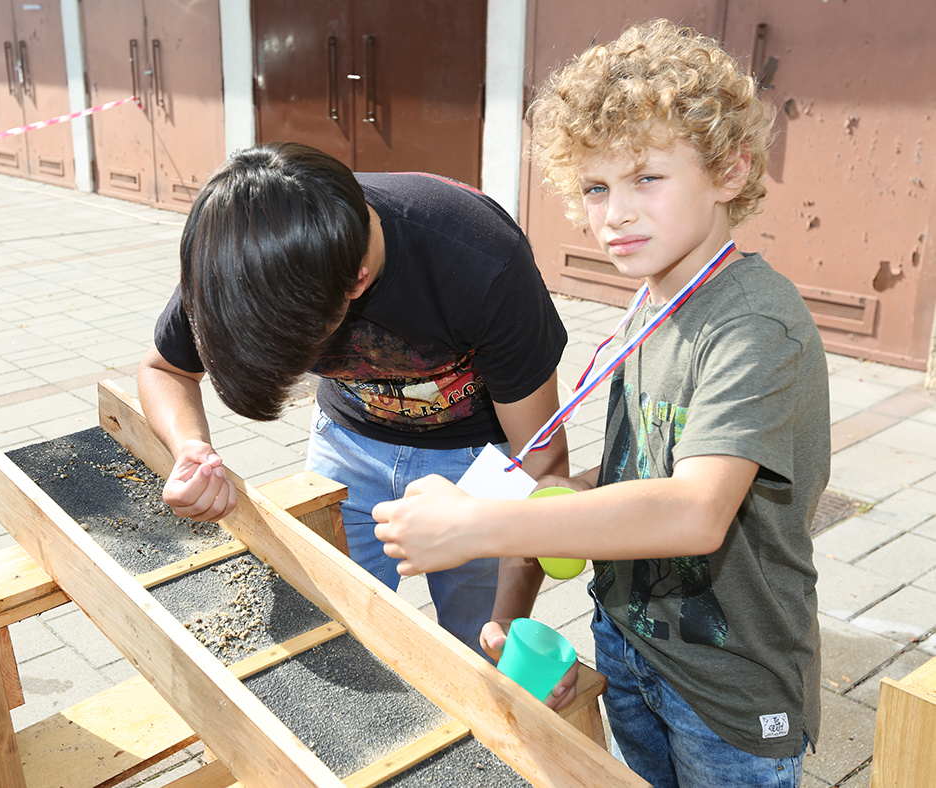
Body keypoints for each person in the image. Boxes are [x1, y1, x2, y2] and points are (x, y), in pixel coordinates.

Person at [373, 19, 828, 788]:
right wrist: (556, 498)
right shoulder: (653, 302)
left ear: (729, 169)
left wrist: (475, 526)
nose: (614, 213)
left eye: (646, 178)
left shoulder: (755, 325)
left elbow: (695, 510)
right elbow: (639, 471)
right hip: (631, 644)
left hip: (727, 688)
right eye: (595, 187)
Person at [138, 141, 571, 665]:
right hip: (345, 445)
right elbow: (164, 370)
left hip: (478, 462)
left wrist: (504, 622)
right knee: (330, 629)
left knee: (475, 648)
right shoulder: (243, 255)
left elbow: (541, 459)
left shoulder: (482, 260)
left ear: (356, 282)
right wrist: (189, 448)